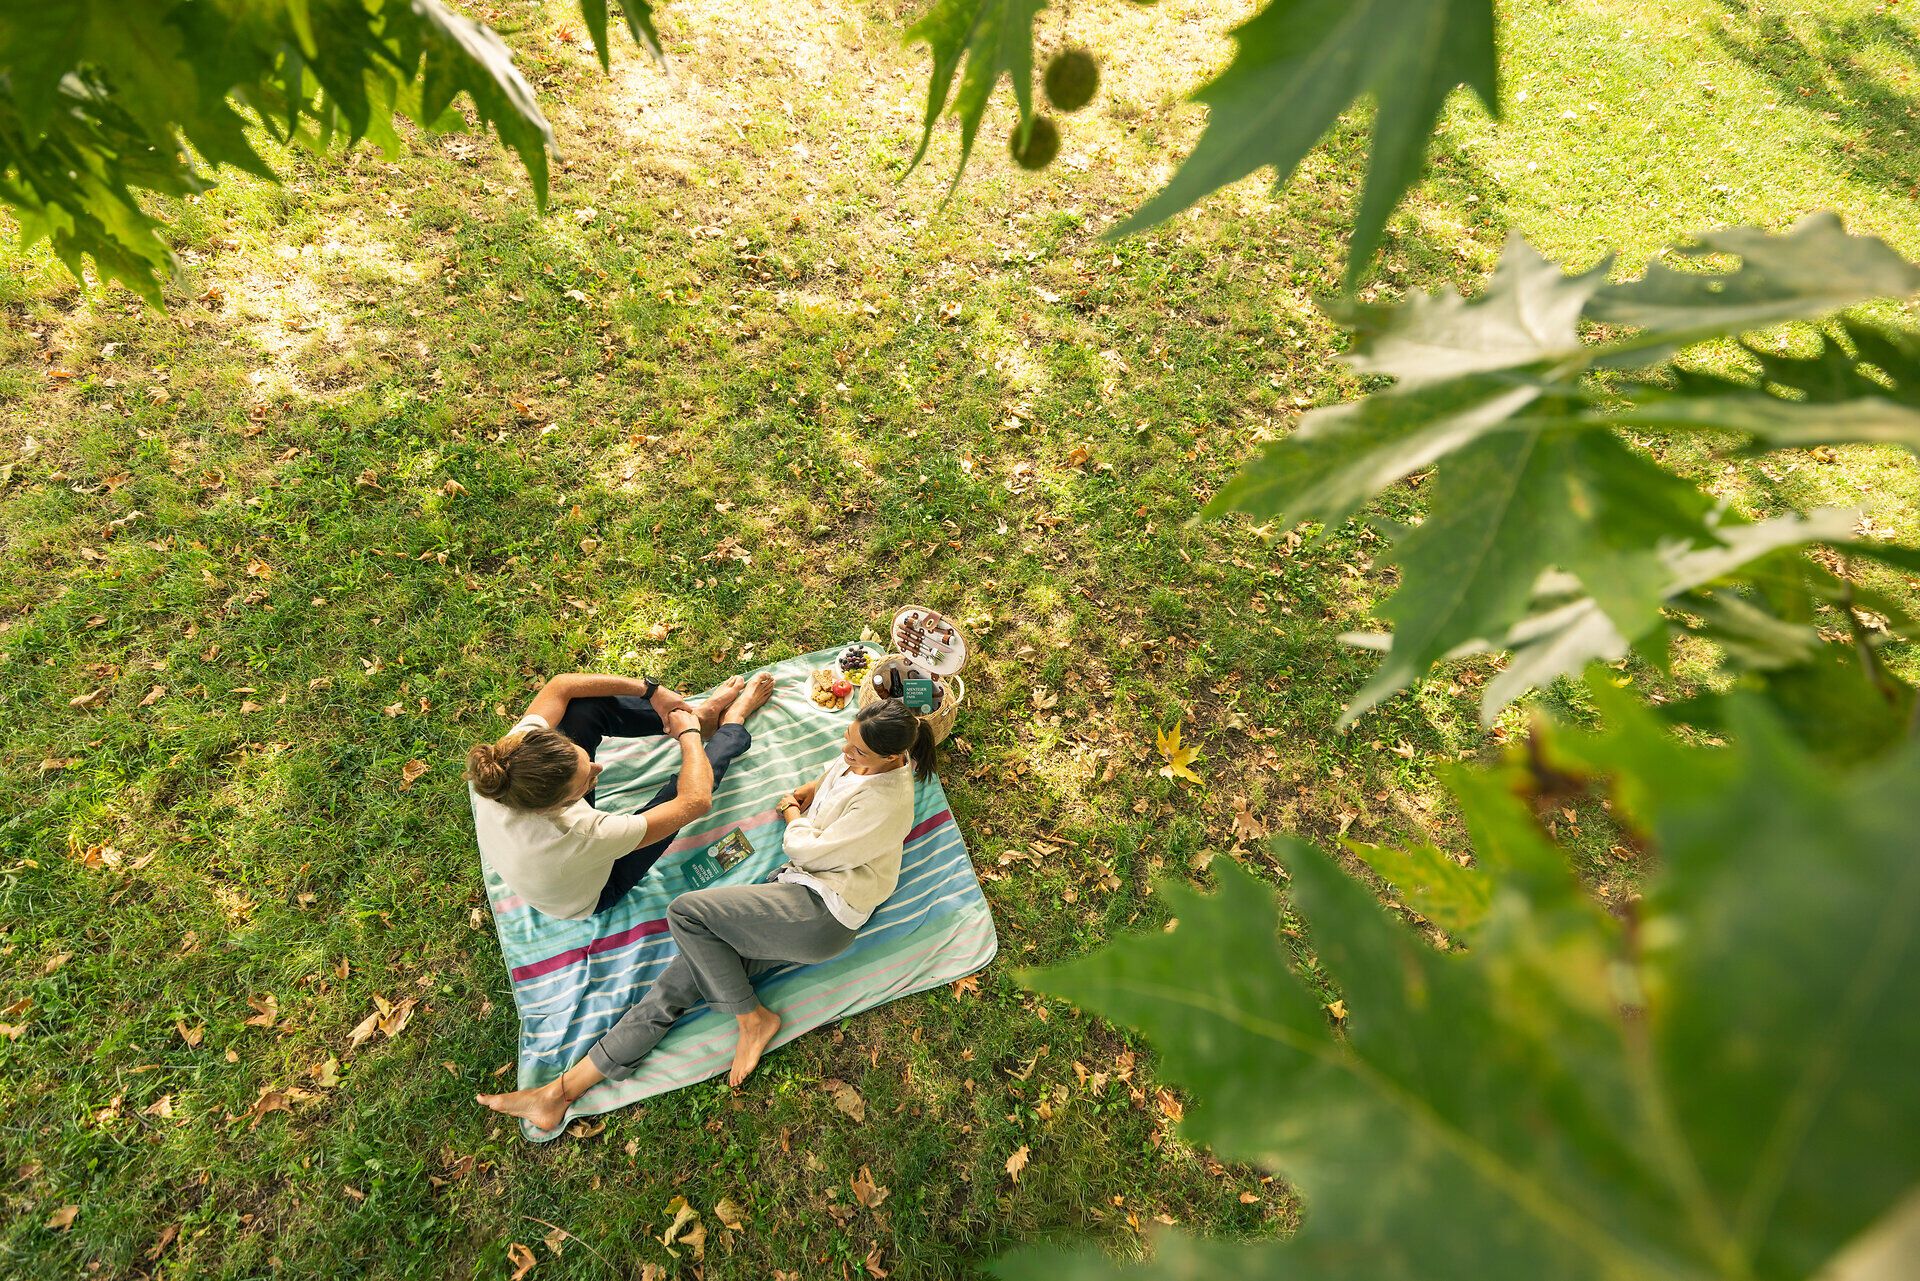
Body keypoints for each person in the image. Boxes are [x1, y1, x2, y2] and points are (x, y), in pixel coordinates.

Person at [477, 698, 936, 1128]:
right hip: (795, 901)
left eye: (856, 749)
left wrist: (795, 818)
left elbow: (812, 852)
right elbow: (841, 770)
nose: (844, 750)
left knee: (687, 913)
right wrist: (811, 790)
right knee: (672, 989)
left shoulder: (887, 802)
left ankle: (752, 1019)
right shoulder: (866, 759)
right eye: (847, 740)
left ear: (892, 759)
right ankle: (559, 1093)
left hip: (822, 913)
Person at [466, 670, 777, 919]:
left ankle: (702, 716)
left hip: (540, 860)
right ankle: (731, 726)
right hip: (596, 892)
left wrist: (652, 691)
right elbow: (695, 801)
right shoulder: (585, 832)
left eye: (585, 759)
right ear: (560, 804)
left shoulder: (510, 762)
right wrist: (688, 734)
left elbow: (561, 686)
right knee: (677, 794)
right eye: (587, 778)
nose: (598, 767)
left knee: (581, 709)